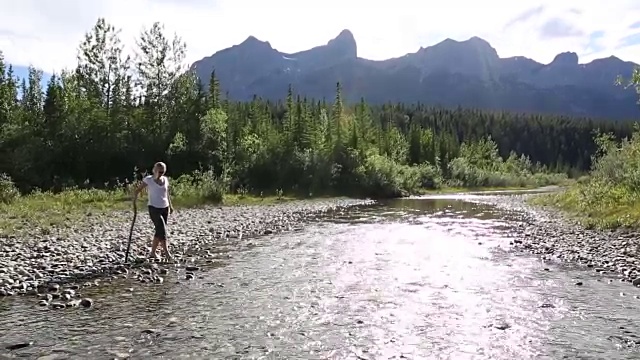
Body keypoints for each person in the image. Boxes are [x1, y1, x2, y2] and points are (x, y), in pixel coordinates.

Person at [133, 161, 175, 261]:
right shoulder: (149, 180)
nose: (161, 174)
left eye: (162, 172)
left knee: (159, 231)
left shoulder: (165, 179)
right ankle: (167, 254)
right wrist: (135, 199)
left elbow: (167, 194)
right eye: (159, 171)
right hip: (154, 208)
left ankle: (152, 253)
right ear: (155, 170)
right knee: (162, 230)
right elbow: (138, 190)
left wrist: (171, 206)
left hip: (165, 207)